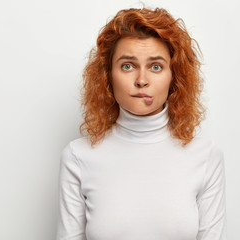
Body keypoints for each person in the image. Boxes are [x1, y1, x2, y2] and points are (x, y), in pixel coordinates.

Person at [56, 7, 227, 240]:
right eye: (128, 66)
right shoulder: (77, 157)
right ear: (107, 76)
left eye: (156, 66)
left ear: (174, 76)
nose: (142, 80)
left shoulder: (206, 157)